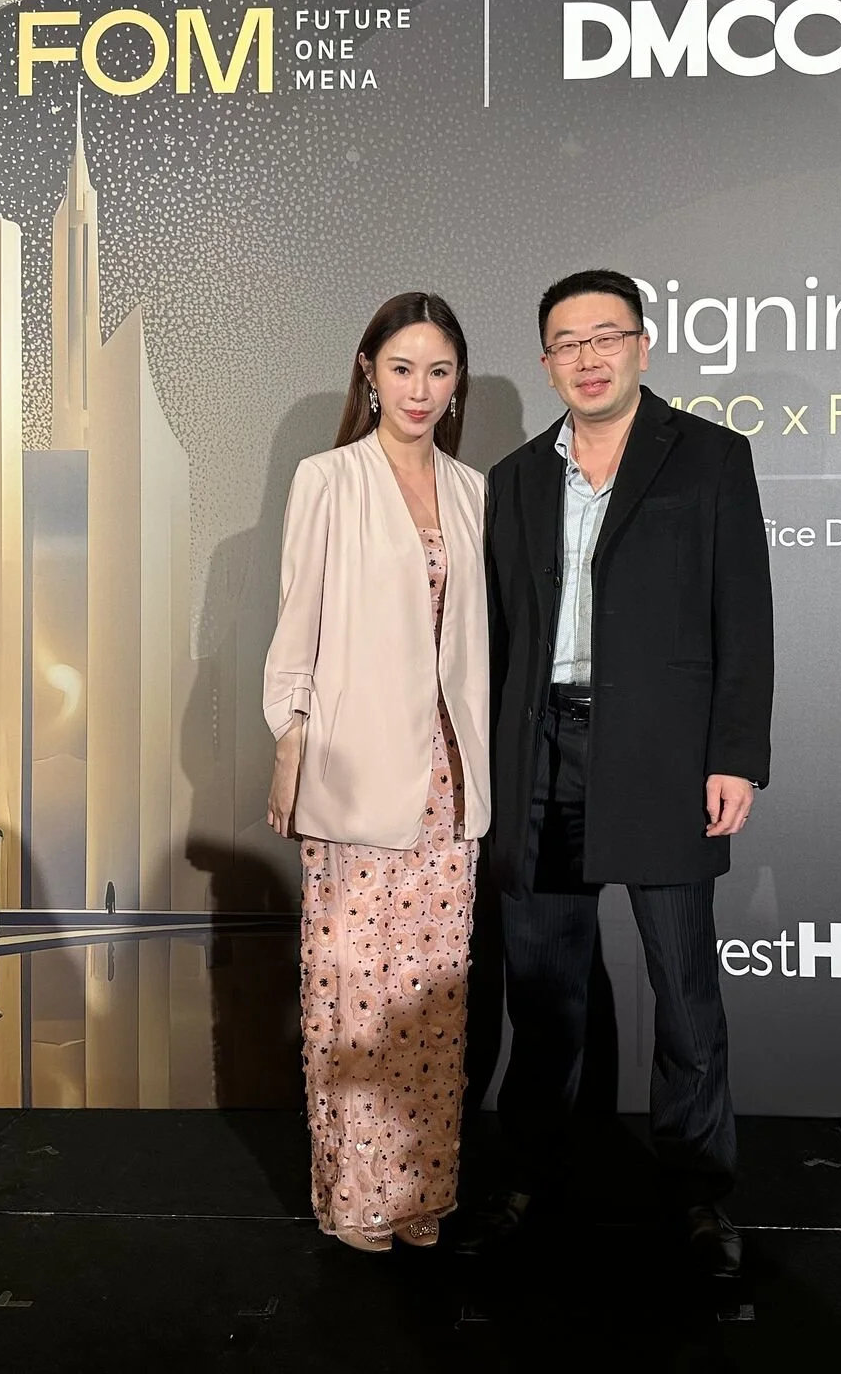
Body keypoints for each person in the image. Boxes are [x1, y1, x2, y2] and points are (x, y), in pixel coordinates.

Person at [465, 268, 774, 1279]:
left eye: (606, 336)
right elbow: (494, 638)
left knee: (683, 990)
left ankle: (696, 1193)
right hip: (538, 750)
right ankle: (531, 1177)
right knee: (541, 989)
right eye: (566, 341)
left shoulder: (710, 458)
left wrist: (735, 754)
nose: (587, 356)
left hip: (664, 754)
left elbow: (744, 618)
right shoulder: (511, 478)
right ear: (545, 360)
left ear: (642, 345)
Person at [264, 291, 491, 1254]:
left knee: (430, 1005)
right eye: (402, 368)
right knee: (354, 992)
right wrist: (291, 738)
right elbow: (295, 627)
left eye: (439, 371)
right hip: (355, 773)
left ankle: (420, 1195)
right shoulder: (329, 478)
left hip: (449, 781)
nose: (420, 389)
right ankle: (357, 1199)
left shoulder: (476, 490)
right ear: (368, 370)